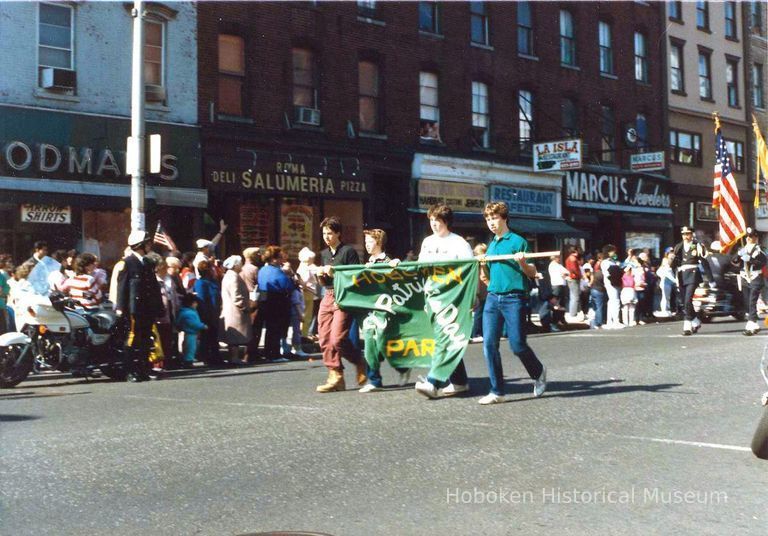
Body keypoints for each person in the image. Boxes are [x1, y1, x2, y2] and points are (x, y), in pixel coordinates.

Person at [476, 202, 547, 405]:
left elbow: (532, 273)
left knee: (517, 345)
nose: (491, 223)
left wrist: (522, 262)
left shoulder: (518, 241)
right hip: (492, 298)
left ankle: (539, 371)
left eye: (494, 218)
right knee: (489, 345)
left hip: (514, 298)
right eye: (488, 219)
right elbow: (487, 276)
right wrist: (483, 269)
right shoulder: (492, 245)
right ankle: (497, 391)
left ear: (504, 218)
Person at [414, 203, 474, 399]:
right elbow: (422, 270)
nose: (433, 224)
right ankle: (459, 382)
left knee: (443, 339)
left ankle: (433, 382)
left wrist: (470, 299)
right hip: (433, 297)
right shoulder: (427, 242)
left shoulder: (459, 244)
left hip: (453, 299)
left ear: (446, 222)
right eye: (431, 220)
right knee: (448, 338)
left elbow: (468, 274)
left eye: (437, 221)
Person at [315, 216, 365, 393]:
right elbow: (324, 282)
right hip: (327, 296)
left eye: (330, 233)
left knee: (337, 339)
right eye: (324, 233)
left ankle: (359, 361)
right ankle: (335, 375)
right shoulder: (324, 254)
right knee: (324, 337)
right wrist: (320, 274)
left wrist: (335, 273)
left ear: (338, 233)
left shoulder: (348, 252)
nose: (326, 237)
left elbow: (356, 278)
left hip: (343, 296)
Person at [358, 228, 410, 393]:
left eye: (370, 242)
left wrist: (395, 266)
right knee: (369, 343)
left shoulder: (388, 260)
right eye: (365, 242)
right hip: (371, 309)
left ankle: (402, 367)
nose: (367, 245)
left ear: (379, 242)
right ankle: (374, 380)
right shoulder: (368, 263)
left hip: (387, 308)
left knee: (382, 343)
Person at [116, 231, 165, 383]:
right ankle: (130, 371)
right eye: (147, 243)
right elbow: (122, 287)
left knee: (146, 339)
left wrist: (159, 307)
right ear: (139, 246)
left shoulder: (148, 263)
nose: (149, 245)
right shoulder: (128, 263)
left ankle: (143, 369)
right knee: (132, 340)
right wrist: (120, 307)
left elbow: (154, 287)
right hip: (134, 309)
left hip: (148, 308)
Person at [257, 246, 295, 363]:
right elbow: (287, 286)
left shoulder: (262, 269)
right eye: (279, 257)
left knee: (270, 328)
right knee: (276, 329)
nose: (281, 260)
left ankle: (269, 353)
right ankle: (275, 354)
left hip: (264, 300)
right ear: (273, 259)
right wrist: (291, 278)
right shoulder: (277, 271)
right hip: (277, 301)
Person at [671, 226, 709, 335]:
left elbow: (703, 257)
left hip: (692, 274)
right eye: (683, 234)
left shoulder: (695, 245)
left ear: (692, 234)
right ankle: (695, 321)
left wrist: (710, 278)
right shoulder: (679, 246)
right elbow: (674, 262)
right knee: (685, 301)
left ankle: (687, 325)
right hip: (682, 275)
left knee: (688, 299)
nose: (685, 236)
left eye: (687, 234)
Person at [220, 255, 252, 364]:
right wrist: (245, 307)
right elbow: (236, 295)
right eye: (240, 263)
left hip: (231, 310)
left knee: (234, 337)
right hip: (235, 311)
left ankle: (234, 357)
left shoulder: (229, 275)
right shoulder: (233, 277)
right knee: (235, 337)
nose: (242, 265)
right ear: (236, 265)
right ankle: (234, 358)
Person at [735, 227, 766, 335]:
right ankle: (755, 324)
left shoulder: (760, 249)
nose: (748, 238)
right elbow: (734, 261)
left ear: (756, 237)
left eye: (751, 236)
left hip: (755, 277)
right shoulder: (742, 248)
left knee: (752, 300)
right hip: (744, 277)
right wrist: (739, 255)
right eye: (747, 236)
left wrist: (750, 259)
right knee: (747, 301)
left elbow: (763, 262)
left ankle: (750, 325)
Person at [193, 259, 222, 367]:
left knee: (214, 335)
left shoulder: (213, 282)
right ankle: (207, 357)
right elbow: (201, 299)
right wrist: (205, 315)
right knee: (207, 336)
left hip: (215, 312)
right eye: (211, 269)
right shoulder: (200, 283)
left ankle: (215, 356)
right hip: (206, 314)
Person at [240, 247, 262, 362]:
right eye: (257, 254)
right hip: (253, 298)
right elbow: (259, 284)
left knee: (248, 326)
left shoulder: (241, 268)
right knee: (255, 326)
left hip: (245, 298)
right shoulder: (254, 269)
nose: (259, 255)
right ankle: (251, 352)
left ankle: (249, 352)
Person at [176, 293, 207, 368]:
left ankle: (187, 360)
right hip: (191, 333)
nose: (196, 304)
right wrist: (203, 326)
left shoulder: (184, 312)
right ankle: (188, 361)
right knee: (191, 348)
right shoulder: (190, 313)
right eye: (195, 303)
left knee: (187, 347)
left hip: (187, 332)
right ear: (191, 303)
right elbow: (194, 323)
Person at [296, 247, 320, 338]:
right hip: (308, 292)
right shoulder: (306, 268)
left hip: (304, 292)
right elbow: (304, 281)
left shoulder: (302, 266)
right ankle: (304, 334)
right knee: (307, 314)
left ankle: (303, 333)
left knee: (304, 313)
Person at [600, 244, 624, 329]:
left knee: (611, 302)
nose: (614, 252)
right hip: (611, 283)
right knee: (615, 301)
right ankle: (616, 321)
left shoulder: (613, 261)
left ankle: (609, 321)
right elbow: (608, 274)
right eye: (612, 251)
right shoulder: (605, 262)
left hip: (615, 282)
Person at [470, 243, 488, 343]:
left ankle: (478, 332)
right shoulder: (478, 265)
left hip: (482, 291)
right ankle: (476, 333)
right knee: (479, 312)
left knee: (480, 312)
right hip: (481, 291)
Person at [588, 252, 607, 329]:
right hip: (599, 290)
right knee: (599, 306)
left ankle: (595, 321)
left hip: (593, 289)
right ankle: (599, 323)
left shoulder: (594, 273)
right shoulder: (602, 274)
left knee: (595, 306)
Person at [564, 246, 582, 318]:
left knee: (572, 296)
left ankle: (573, 312)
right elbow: (574, 269)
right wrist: (579, 275)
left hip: (570, 278)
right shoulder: (573, 258)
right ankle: (574, 313)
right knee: (575, 297)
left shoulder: (568, 258)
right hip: (574, 278)